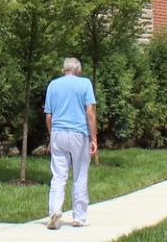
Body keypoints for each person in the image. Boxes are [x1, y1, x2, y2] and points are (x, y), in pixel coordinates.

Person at [43, 56, 97, 230]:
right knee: (80, 174)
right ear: (78, 70)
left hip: (58, 132)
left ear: (63, 70)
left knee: (58, 175)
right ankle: (79, 217)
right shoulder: (85, 84)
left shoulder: (53, 85)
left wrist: (51, 136)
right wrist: (93, 137)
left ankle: (55, 211)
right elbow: (90, 113)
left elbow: (48, 116)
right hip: (78, 133)